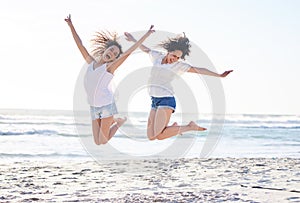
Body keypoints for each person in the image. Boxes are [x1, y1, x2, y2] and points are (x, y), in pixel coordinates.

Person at [125, 32, 233, 141]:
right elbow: (145, 49)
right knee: (151, 136)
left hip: (166, 100)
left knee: (160, 136)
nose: (175, 58)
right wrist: (133, 39)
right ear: (168, 52)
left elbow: (199, 70)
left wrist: (219, 75)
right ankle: (174, 127)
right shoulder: (157, 56)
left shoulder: (178, 66)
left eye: (178, 57)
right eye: (174, 55)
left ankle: (189, 127)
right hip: (154, 100)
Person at [65, 14, 154, 145]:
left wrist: (146, 35)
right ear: (106, 48)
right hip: (94, 106)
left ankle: (119, 122)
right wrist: (70, 25)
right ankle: (114, 120)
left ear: (114, 59)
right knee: (97, 142)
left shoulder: (109, 68)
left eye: (114, 54)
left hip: (106, 106)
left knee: (103, 141)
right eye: (111, 50)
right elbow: (80, 45)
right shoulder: (90, 63)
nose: (111, 53)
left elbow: (129, 52)